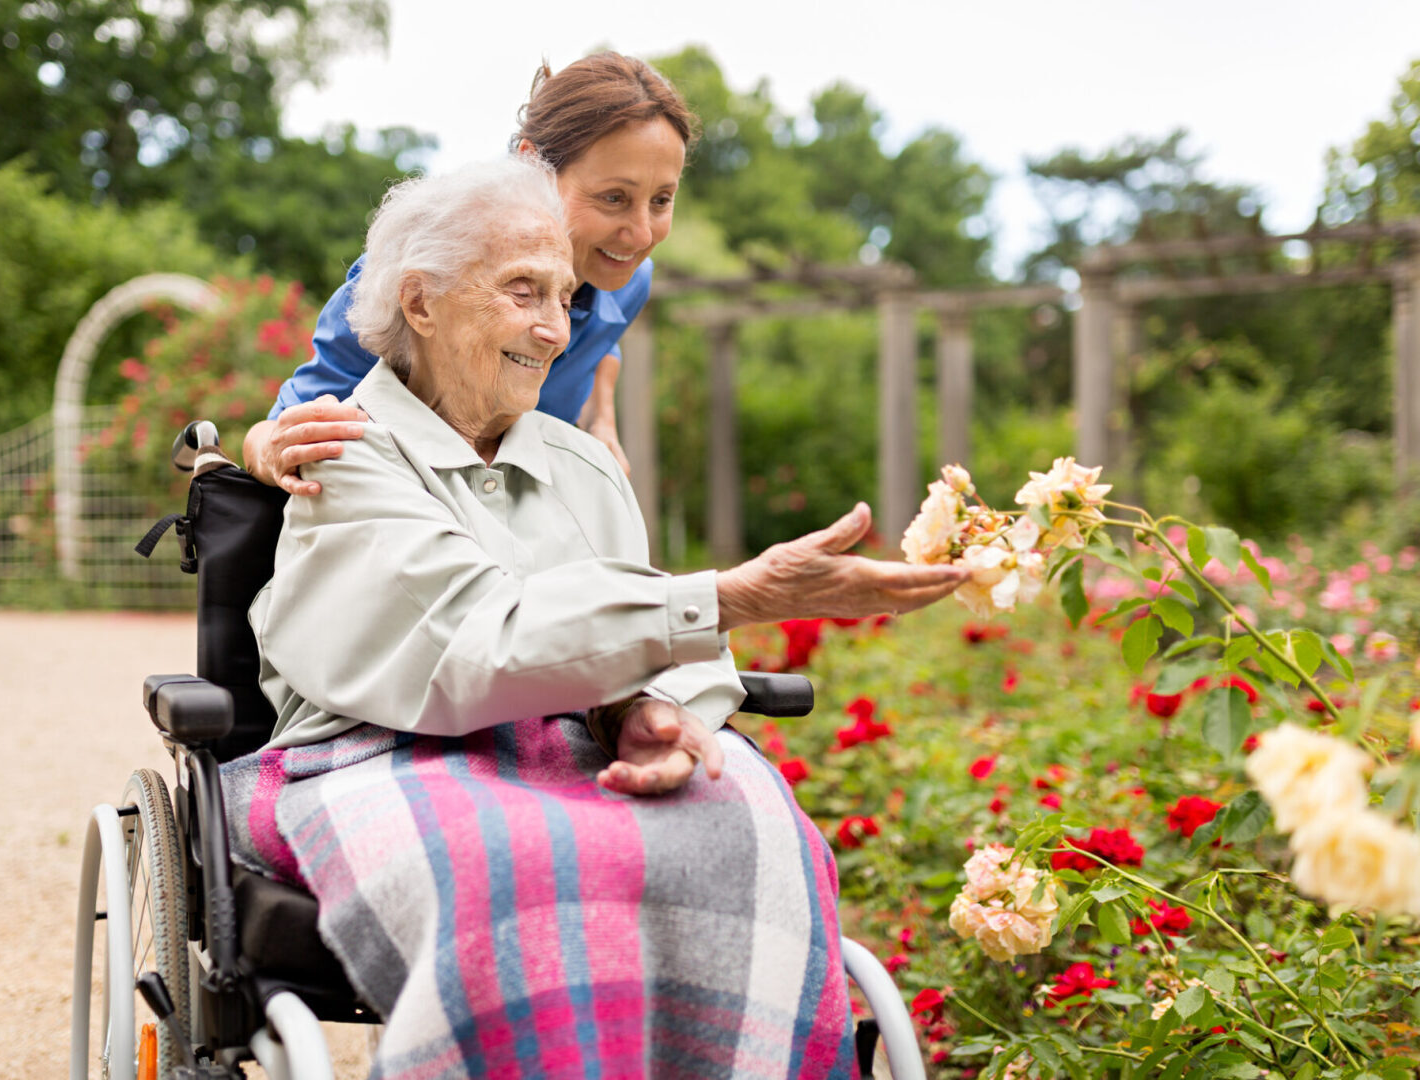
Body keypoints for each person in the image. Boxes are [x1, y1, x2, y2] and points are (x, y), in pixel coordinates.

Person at [221, 156, 967, 1080]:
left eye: (564, 297)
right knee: (525, 873)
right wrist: (731, 596)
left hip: (572, 748)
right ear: (421, 302)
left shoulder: (583, 463)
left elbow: (636, 631)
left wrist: (654, 710)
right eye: (521, 292)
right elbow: (476, 643)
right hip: (377, 748)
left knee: (760, 834)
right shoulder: (346, 450)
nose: (551, 327)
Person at [243, 51, 692, 494]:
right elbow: (272, 433)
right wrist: (272, 453)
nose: (638, 234)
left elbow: (602, 346)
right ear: (532, 161)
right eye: (613, 197)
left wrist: (602, 419)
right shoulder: (422, 277)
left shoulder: (629, 282)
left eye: (661, 201)